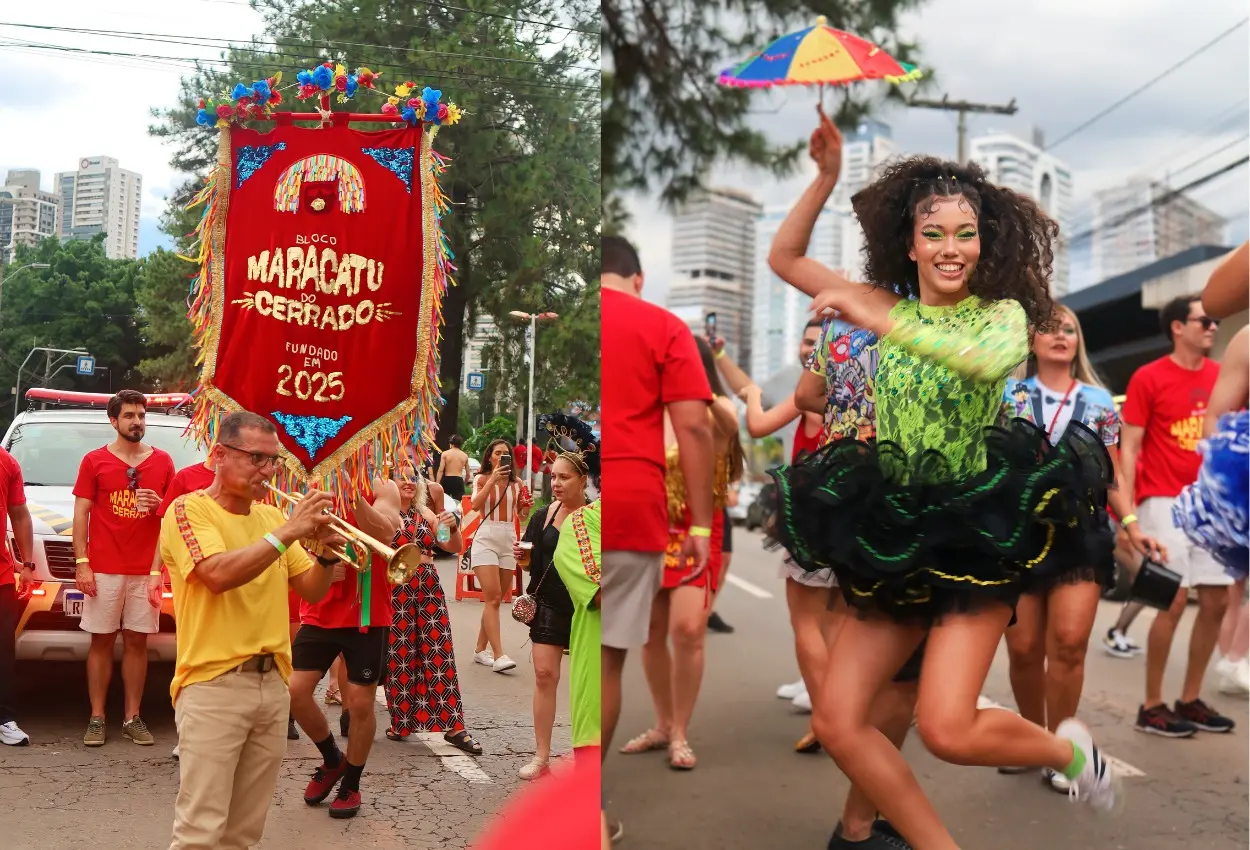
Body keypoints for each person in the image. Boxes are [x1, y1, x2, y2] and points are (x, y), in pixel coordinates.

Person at [768, 113, 1122, 848]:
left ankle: (1069, 750)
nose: (950, 248)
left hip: (975, 533)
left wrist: (872, 310)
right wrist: (827, 178)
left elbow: (982, 364)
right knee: (837, 720)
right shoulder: (885, 305)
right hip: (892, 530)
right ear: (909, 242)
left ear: (984, 243)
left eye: (965, 233)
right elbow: (787, 255)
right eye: (933, 234)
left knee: (948, 729)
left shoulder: (1001, 315)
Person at [1000, 305, 1165, 792]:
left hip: (1081, 533)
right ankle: (1035, 743)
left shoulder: (1097, 401)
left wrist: (1132, 526)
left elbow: (1111, 473)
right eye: (1049, 329)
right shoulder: (1009, 395)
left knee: (1069, 645)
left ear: (1078, 343)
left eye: (1069, 329)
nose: (1061, 336)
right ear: (1031, 342)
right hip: (1018, 534)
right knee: (1025, 649)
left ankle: (1062, 750)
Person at [160, 411, 341, 849]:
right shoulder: (188, 510)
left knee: (244, 833)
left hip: (272, 685)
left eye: (272, 460)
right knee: (200, 832)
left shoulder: (269, 518)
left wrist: (329, 556)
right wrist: (290, 531)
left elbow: (313, 591)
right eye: (255, 458)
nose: (266, 470)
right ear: (219, 455)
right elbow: (217, 575)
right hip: (213, 683)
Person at [600, 234, 713, 840]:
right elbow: (694, 427)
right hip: (631, 503)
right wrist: (697, 522)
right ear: (637, 278)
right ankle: (591, 806)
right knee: (610, 658)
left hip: (565, 507)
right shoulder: (662, 326)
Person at [1118, 295, 1237, 738]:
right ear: (1176, 328)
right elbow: (1128, 449)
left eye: (1214, 321)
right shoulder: (1148, 377)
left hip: (1213, 503)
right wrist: (1128, 516)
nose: (1212, 328)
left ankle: (1190, 698)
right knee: (1169, 599)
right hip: (1163, 500)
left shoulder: (1224, 375)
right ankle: (1152, 705)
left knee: (1216, 602)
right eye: (1204, 321)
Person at [621, 337, 740, 771]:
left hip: (698, 528)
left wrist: (699, 387)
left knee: (688, 629)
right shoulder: (646, 411)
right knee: (651, 633)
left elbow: (729, 423)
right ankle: (664, 724)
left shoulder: (713, 412)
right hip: (651, 530)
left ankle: (682, 732)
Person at [713, 320, 826, 716]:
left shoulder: (808, 392)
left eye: (818, 341)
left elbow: (756, 417)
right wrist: (722, 358)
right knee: (835, 616)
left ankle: (826, 700)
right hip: (849, 513)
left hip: (813, 517)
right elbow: (746, 387)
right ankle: (823, 686)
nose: (809, 348)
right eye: (805, 340)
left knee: (806, 619)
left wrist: (756, 396)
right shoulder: (863, 388)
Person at [287, 463, 413, 819]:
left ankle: (351, 783)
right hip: (321, 606)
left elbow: (386, 533)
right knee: (295, 691)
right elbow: (293, 535)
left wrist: (351, 493)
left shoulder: (382, 486)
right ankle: (331, 759)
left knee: (360, 704)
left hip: (367, 611)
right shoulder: (308, 484)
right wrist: (318, 558)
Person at [72, 389, 175, 747]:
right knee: (100, 642)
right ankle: (97, 717)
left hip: (146, 570)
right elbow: (81, 515)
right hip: (103, 569)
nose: (137, 422)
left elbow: (174, 515)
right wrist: (82, 564)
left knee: (136, 643)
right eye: (129, 415)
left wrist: (160, 503)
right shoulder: (94, 461)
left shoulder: (162, 462)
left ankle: (133, 717)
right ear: (113, 421)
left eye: (141, 415)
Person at [380, 462, 482, 754]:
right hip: (395, 589)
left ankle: (455, 726)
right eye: (401, 477)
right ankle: (401, 723)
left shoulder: (425, 514)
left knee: (439, 652)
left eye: (413, 477)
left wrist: (451, 527)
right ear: (388, 485)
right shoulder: (384, 515)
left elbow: (449, 547)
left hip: (427, 587)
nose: (409, 482)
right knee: (399, 655)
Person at [1174, 323, 1249, 695]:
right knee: (1228, 592)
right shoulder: (1248, 339)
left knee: (1231, 595)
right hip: (1234, 492)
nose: (1210, 327)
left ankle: (1233, 662)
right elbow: (1215, 421)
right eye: (1201, 322)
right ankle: (1233, 663)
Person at [515, 433, 594, 779]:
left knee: (589, 684)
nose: (557, 483)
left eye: (564, 477)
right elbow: (535, 563)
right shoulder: (544, 515)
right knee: (545, 675)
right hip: (549, 605)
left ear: (583, 480)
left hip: (587, 607)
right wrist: (523, 558)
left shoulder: (595, 518)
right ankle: (542, 757)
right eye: (553, 476)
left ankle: (586, 754)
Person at [470, 438, 532, 673]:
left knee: (496, 600)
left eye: (505, 454)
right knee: (493, 597)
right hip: (486, 537)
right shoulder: (482, 478)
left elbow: (521, 515)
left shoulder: (517, 483)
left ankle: (479, 650)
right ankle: (498, 655)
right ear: (489, 457)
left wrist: (526, 506)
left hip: (508, 538)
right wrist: (493, 479)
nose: (501, 457)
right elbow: (475, 506)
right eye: (497, 453)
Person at [0, 445, 34, 747]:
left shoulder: (6, 462)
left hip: (1, 577)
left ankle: (4, 719)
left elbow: (20, 514)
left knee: (3, 654)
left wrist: (27, 564)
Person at [435, 435, 470, 501]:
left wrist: (437, 483)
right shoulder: (465, 456)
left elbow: (440, 470)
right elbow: (468, 474)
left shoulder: (445, 454)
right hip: (459, 480)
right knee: (459, 503)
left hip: (447, 479)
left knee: (444, 501)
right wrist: (464, 483)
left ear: (451, 444)